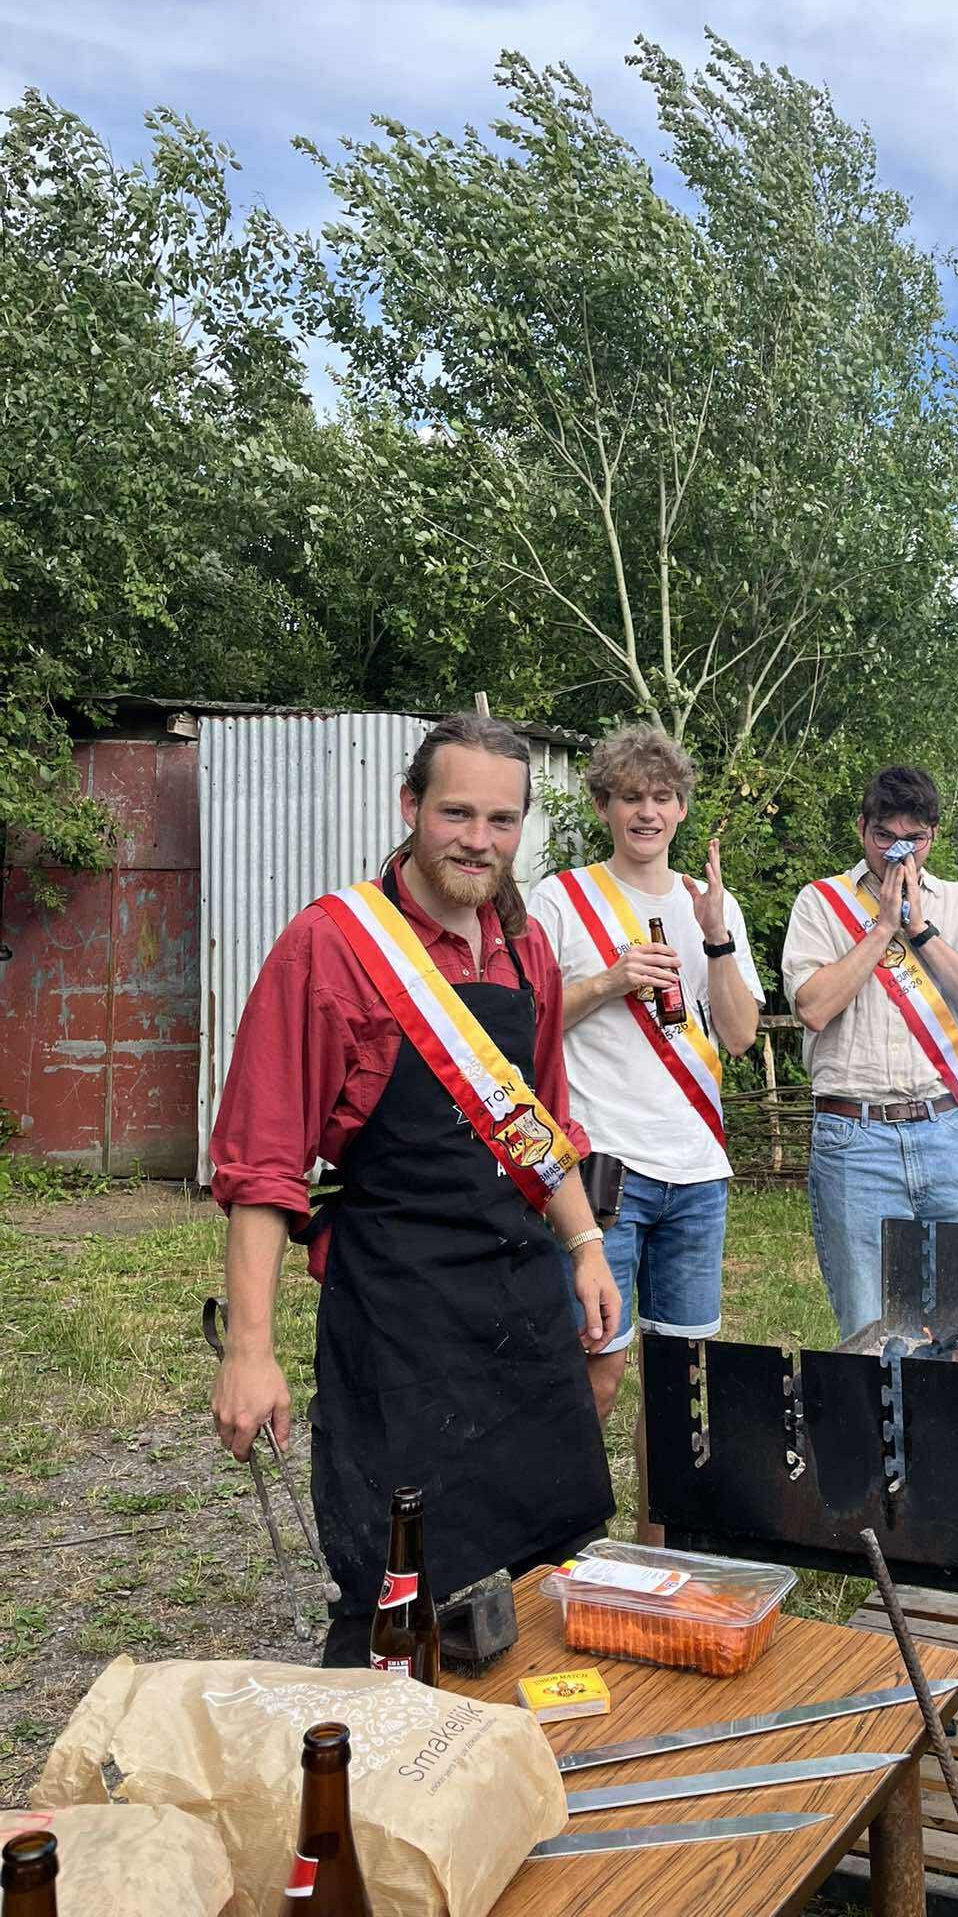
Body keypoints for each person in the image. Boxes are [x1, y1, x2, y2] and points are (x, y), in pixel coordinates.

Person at [209, 712, 618, 1666]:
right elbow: (264, 1166)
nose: (480, 840)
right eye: (457, 813)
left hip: (520, 1300)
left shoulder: (526, 951)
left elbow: (541, 1128)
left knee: (551, 1564)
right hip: (396, 1308)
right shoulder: (331, 945)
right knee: (392, 1590)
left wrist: (586, 1246)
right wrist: (250, 1351)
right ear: (410, 806)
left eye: (503, 820)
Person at [527, 728, 762, 1535]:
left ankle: (653, 1556)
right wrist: (609, 981)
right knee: (598, 1371)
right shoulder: (562, 899)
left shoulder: (710, 904)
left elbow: (739, 1036)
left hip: (697, 1171)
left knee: (678, 1383)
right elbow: (524, 1024)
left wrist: (717, 937)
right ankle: (562, 1547)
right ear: (603, 806)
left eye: (662, 797)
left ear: (682, 808)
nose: (648, 812)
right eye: (631, 797)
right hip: (603, 1172)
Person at [782, 763, 958, 1338]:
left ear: (933, 835)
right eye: (884, 836)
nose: (897, 854)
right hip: (853, 1138)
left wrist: (922, 932)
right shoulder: (821, 903)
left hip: (945, 1129)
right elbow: (813, 1007)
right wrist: (883, 927)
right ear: (862, 828)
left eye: (913, 839)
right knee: (872, 1331)